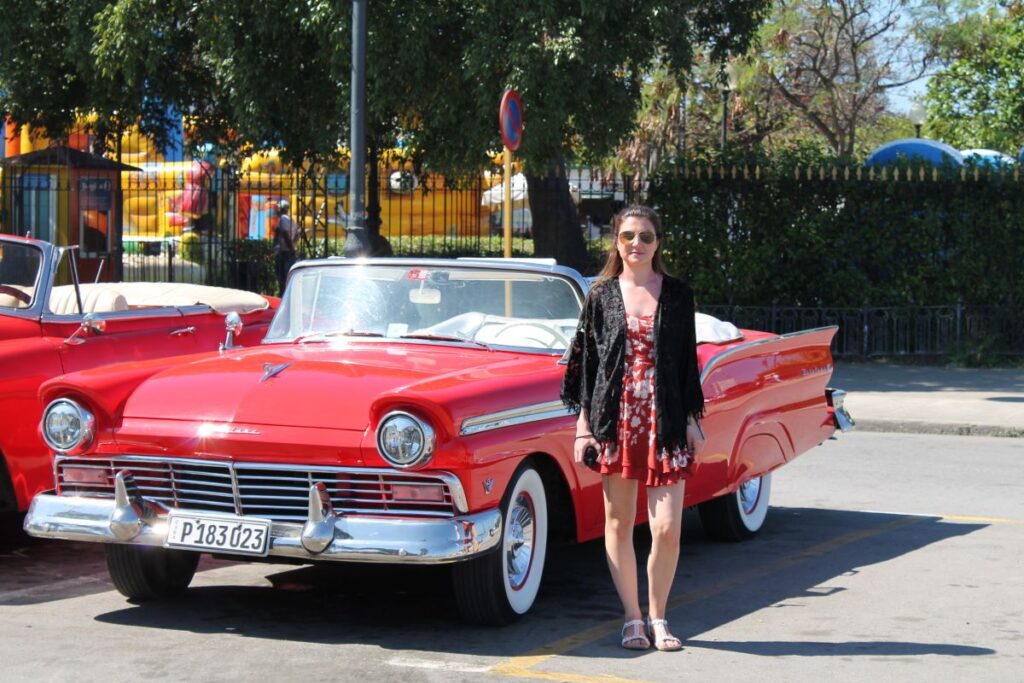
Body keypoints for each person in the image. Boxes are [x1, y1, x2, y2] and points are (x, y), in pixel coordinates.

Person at [561, 204, 705, 652]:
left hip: (664, 421)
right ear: (615, 242)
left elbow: (685, 363)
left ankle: (660, 615)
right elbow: (586, 368)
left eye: (645, 236)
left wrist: (692, 421)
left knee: (666, 528)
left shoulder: (678, 295)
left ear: (657, 243)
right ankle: (633, 617)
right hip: (615, 420)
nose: (636, 244)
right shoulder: (601, 295)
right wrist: (584, 428)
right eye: (627, 236)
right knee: (619, 521)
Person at [273, 199, 297, 296]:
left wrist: (292, 249)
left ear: (281, 209)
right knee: (287, 276)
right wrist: (293, 247)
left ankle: (282, 298)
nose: (276, 209)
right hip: (288, 252)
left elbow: (285, 234)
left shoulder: (283, 219)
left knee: (282, 278)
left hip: (284, 252)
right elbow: (297, 235)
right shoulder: (291, 220)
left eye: (278, 207)